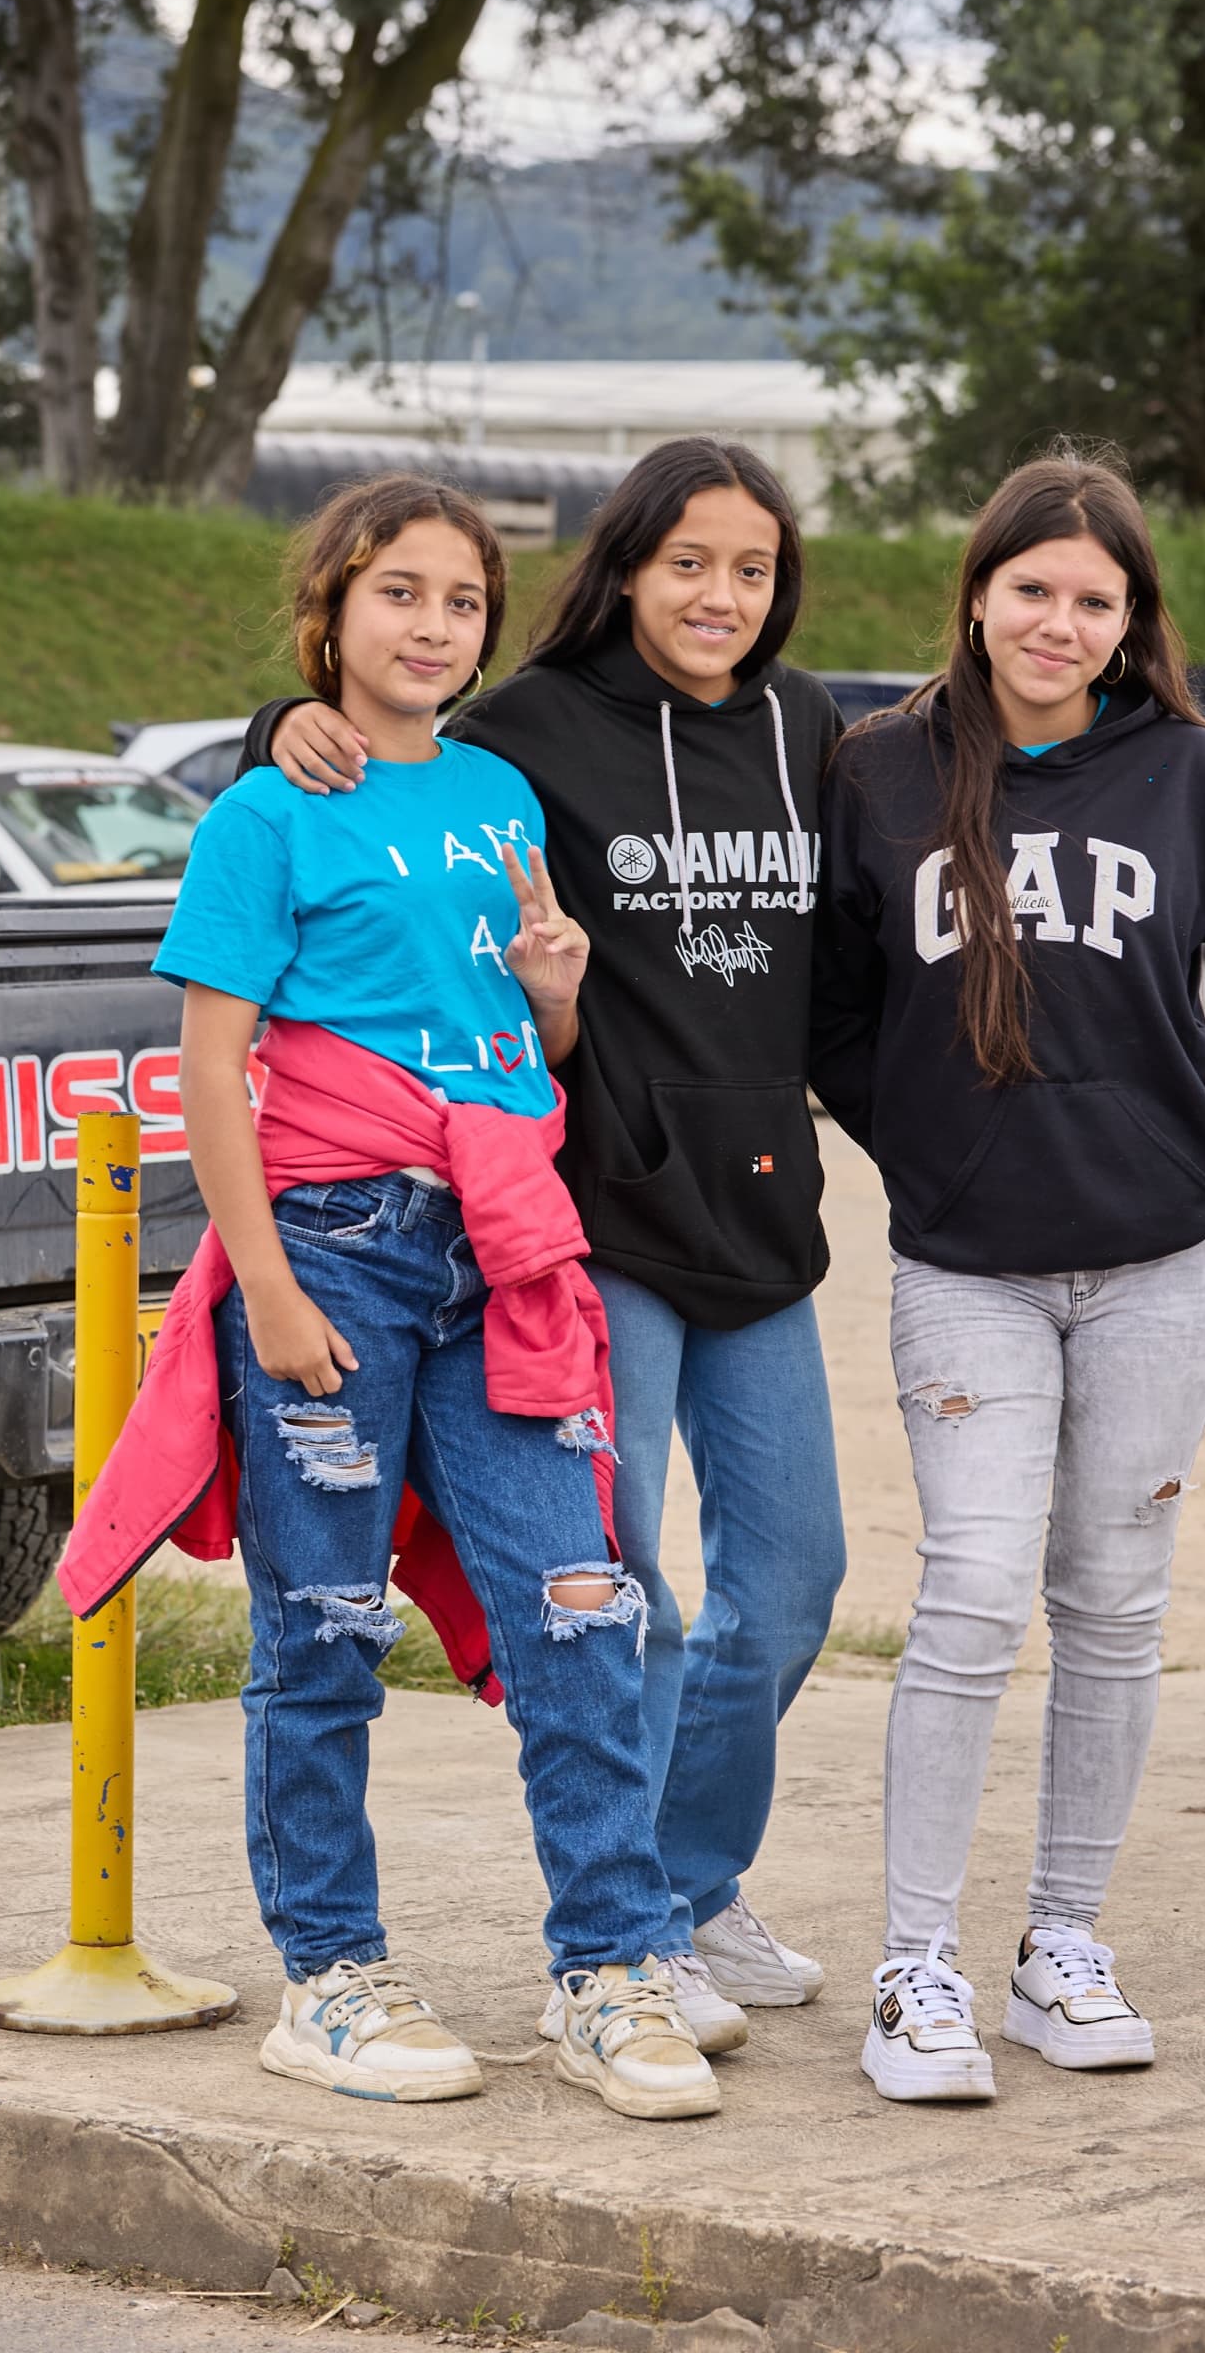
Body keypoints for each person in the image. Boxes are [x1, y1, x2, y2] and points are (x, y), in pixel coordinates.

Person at [66, 475, 720, 2122]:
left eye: (460, 604)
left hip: (498, 1256)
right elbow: (210, 1075)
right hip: (333, 1255)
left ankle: (608, 1971)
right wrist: (270, 1291)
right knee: (326, 1633)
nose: (433, 628)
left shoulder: (503, 797)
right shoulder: (268, 814)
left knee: (584, 1607)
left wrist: (557, 1002)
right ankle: (333, 1976)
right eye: (400, 595)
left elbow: (522, 1053)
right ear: (334, 612)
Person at [238, 438, 848, 2052]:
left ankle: (677, 1894)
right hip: (568, 1226)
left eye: (754, 568)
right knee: (598, 1595)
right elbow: (363, 752)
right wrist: (273, 726)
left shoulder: (808, 731)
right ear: (626, 567)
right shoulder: (534, 731)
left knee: (787, 1589)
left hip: (751, 1215)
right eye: (688, 562)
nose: (722, 594)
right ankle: (609, 1934)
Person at [811, 446, 1205, 2104]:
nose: (1059, 621)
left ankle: (1062, 1946)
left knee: (1116, 1606)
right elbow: (833, 1007)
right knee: (975, 1590)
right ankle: (916, 1967)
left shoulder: (1190, 777)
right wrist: (922, 1136)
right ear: (979, 593)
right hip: (970, 1263)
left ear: (1133, 626)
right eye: (1033, 588)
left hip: (1167, 1260)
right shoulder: (881, 772)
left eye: (1095, 600)